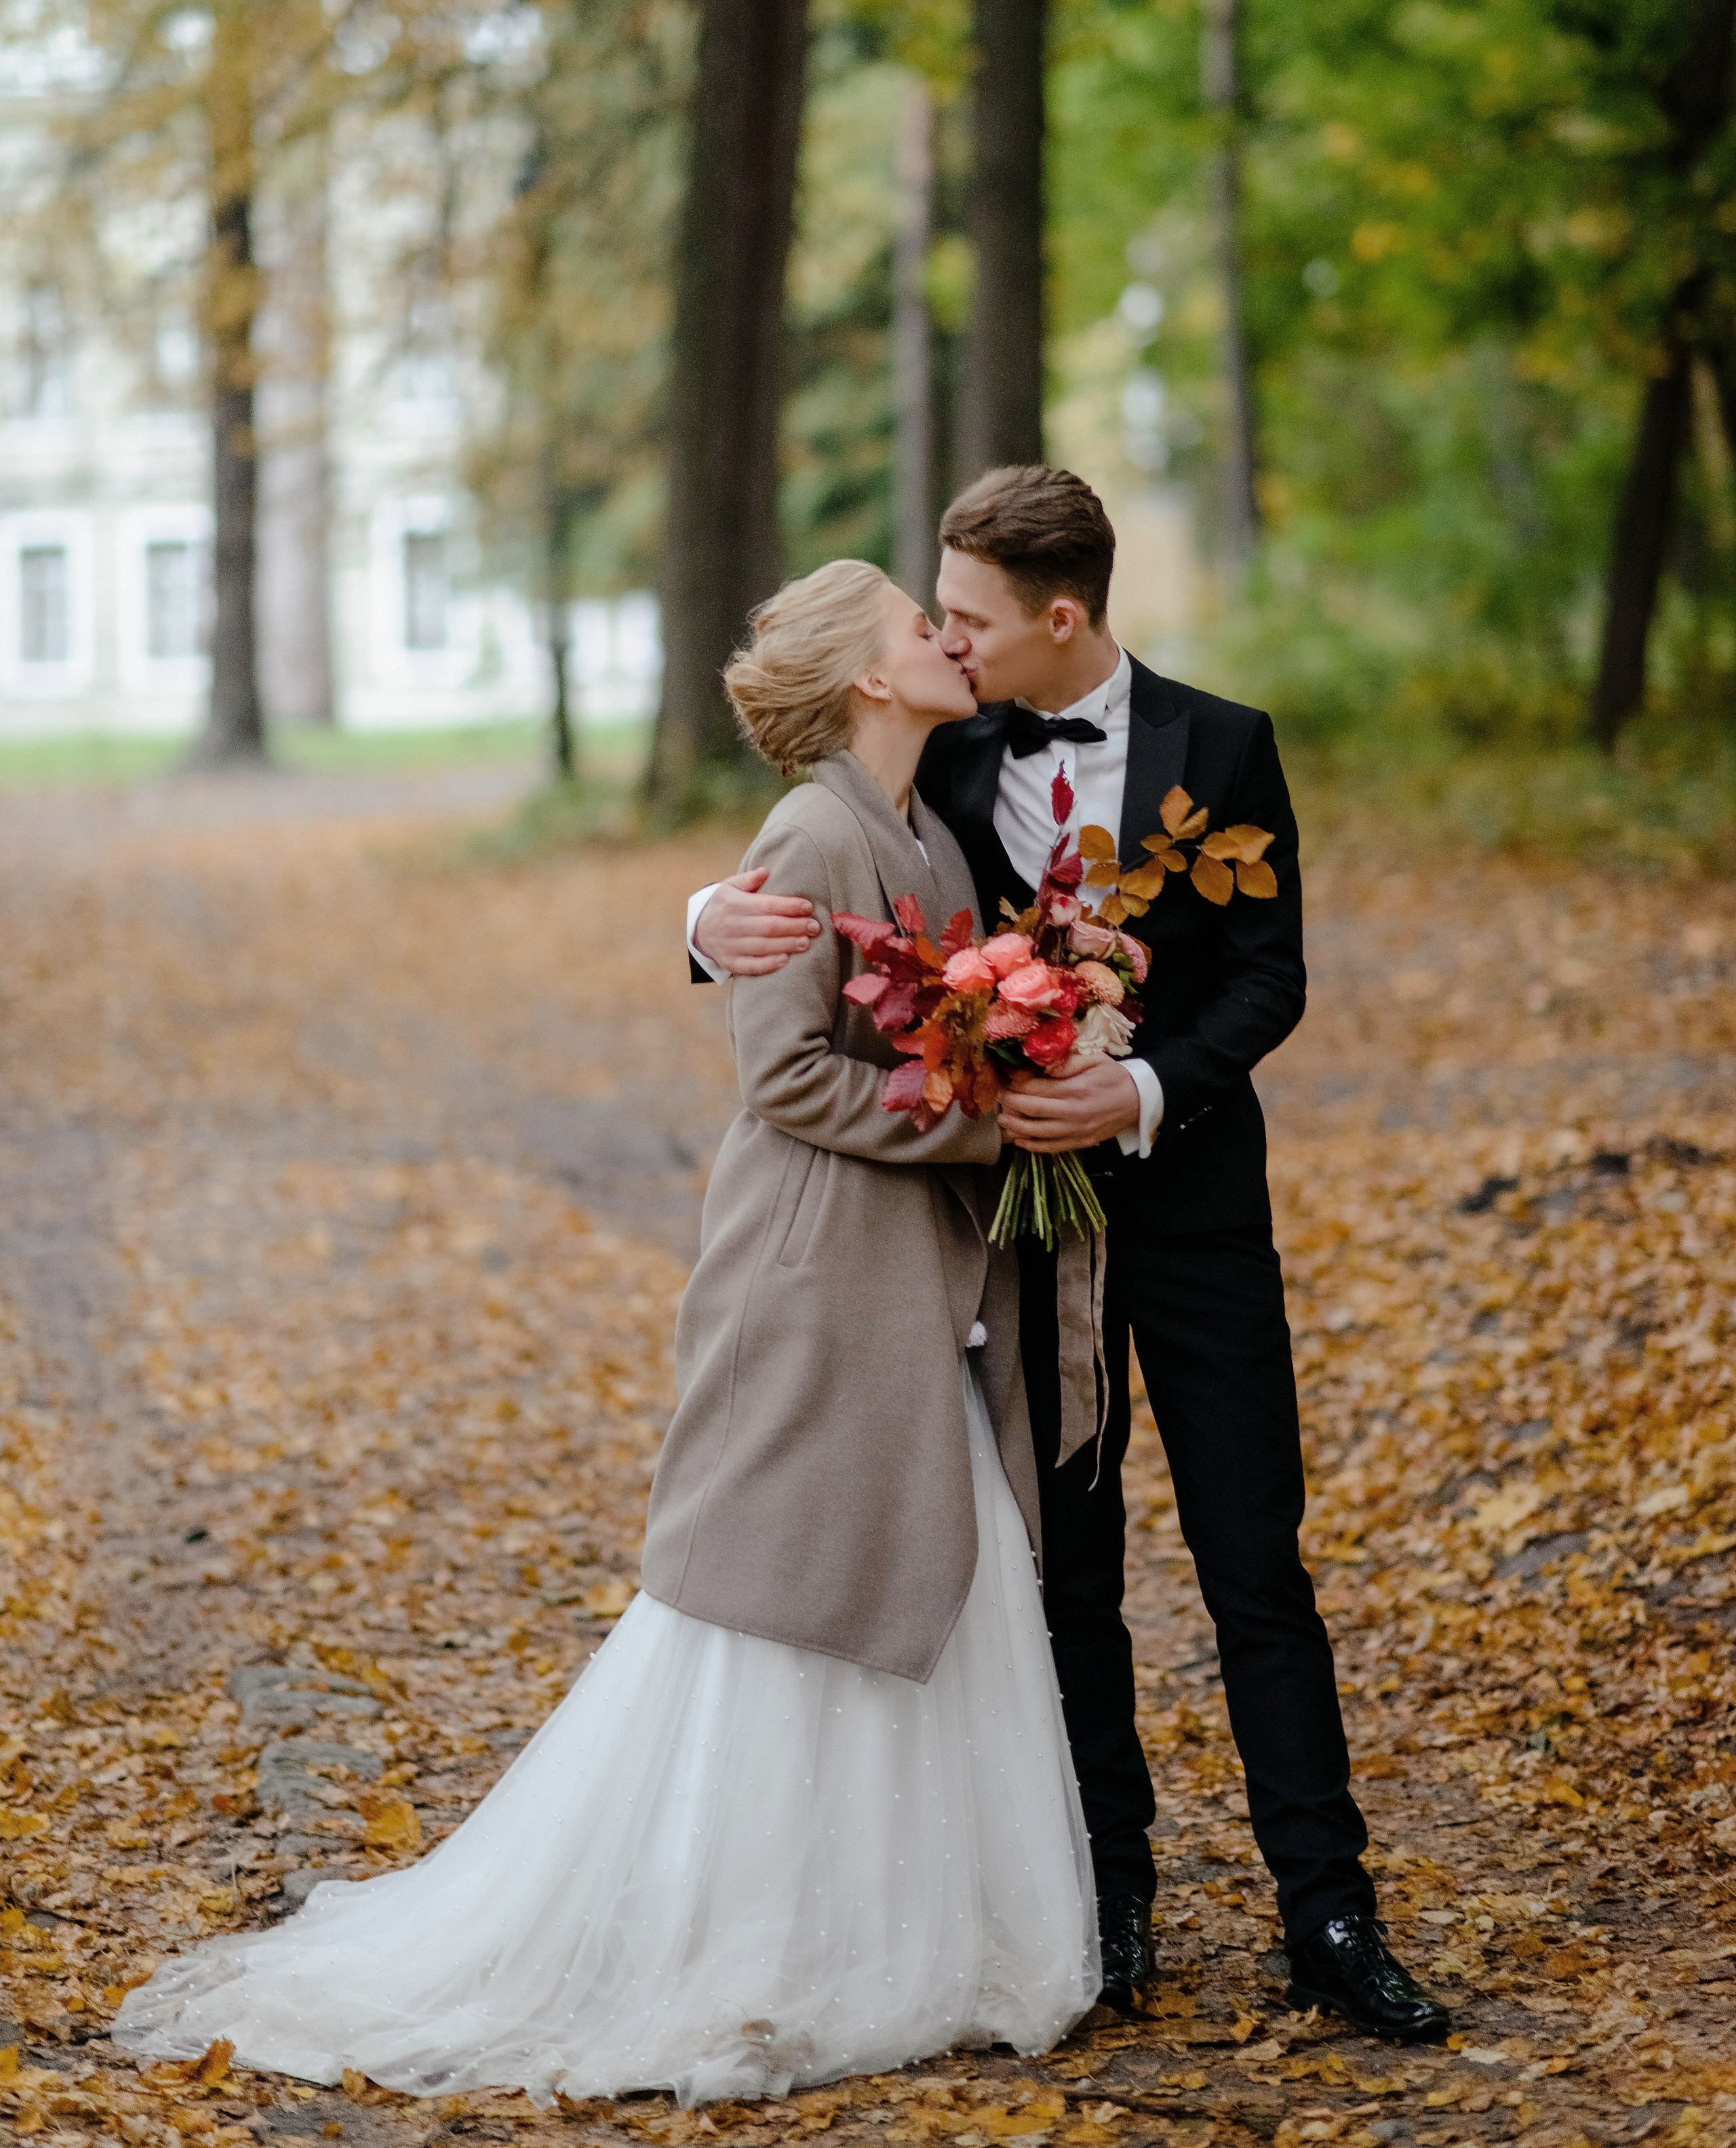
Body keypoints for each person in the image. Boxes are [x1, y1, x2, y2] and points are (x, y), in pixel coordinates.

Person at [113, 559, 1099, 2107]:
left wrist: (1015, 1063)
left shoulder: (925, 825)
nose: (944, 635)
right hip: (813, 1268)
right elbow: (785, 1080)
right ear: (862, 674)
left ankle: (910, 1926)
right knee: (785, 1568)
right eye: (921, 622)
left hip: (912, 1269)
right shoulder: (814, 829)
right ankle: (755, 1932)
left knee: (921, 1549)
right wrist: (991, 1129)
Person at [690, 468, 1449, 2044]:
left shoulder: (1222, 744)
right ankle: (1106, 1898)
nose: (948, 644)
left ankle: (1329, 1909)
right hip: (1025, 1238)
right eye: (935, 621)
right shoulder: (945, 749)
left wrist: (1148, 1083)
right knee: (1066, 1576)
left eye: (969, 617)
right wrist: (701, 919)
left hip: (1194, 1218)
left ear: (1061, 615)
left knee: (1256, 1562)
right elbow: (824, 862)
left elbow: (1269, 974)